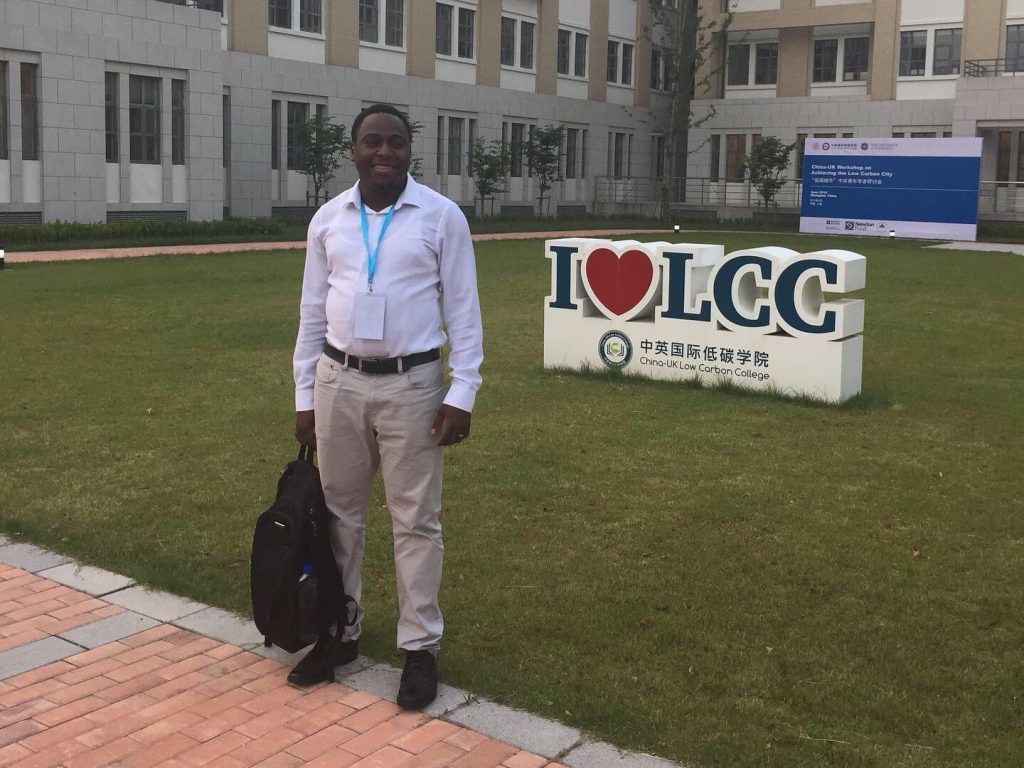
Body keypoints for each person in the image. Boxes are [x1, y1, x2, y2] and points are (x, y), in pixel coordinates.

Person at [289, 103, 483, 710]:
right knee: (340, 517)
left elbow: (464, 311)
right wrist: (303, 395)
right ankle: (339, 631)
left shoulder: (441, 217)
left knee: (415, 520)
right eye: (372, 142)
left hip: (413, 386)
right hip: (338, 380)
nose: (383, 153)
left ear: (408, 151)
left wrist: (463, 390)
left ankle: (419, 648)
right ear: (354, 150)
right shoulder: (329, 220)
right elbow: (312, 313)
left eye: (395, 143)